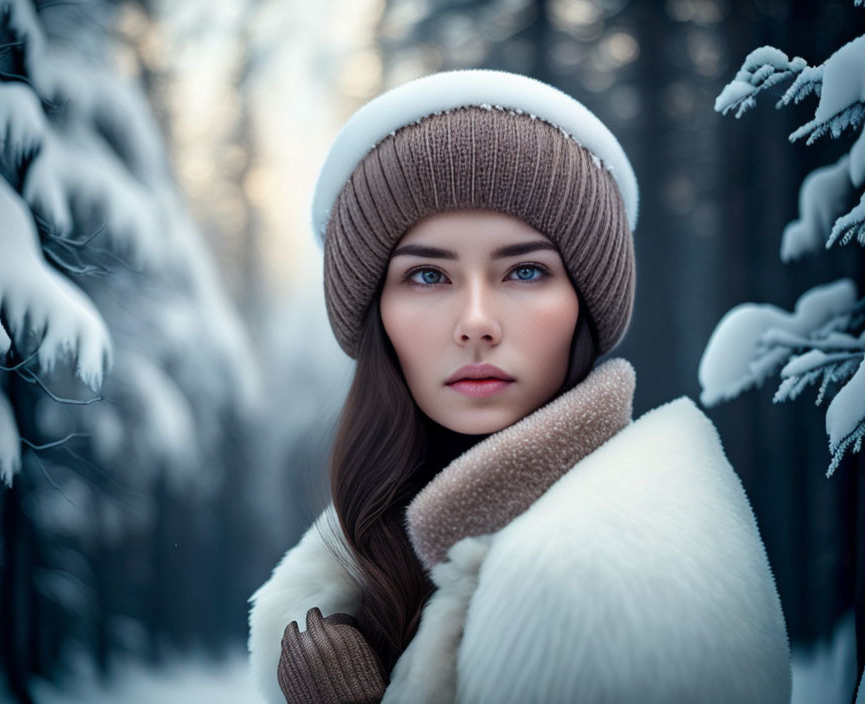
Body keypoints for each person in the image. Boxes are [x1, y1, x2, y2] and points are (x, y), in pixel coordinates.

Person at [247, 69, 791, 704]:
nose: (476, 322)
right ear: (377, 318)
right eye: (427, 276)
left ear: (583, 305)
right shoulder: (357, 566)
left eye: (526, 270)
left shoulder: (623, 572)